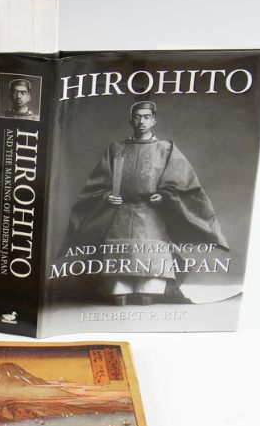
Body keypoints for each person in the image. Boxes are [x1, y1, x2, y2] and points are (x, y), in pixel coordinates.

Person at [59, 101, 228, 306]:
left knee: (147, 297)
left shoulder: (166, 149)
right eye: (137, 117)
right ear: (131, 120)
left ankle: (149, 289)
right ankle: (120, 288)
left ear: (153, 120)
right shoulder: (116, 149)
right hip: (120, 214)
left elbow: (184, 182)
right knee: (118, 297)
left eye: (146, 117)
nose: (141, 121)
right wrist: (107, 196)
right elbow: (98, 183)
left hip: (151, 215)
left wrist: (164, 195)